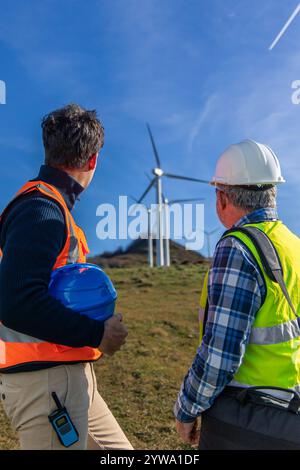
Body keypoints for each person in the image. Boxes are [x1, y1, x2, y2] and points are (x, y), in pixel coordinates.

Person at [0, 103, 132, 450]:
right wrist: (97, 333)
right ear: (93, 160)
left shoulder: (51, 205)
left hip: (70, 376)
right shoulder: (40, 209)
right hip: (46, 383)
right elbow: (17, 302)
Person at [174, 139, 300, 450]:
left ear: (222, 197)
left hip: (248, 419)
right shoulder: (292, 245)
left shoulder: (238, 247)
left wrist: (187, 409)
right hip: (290, 414)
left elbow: (221, 354)